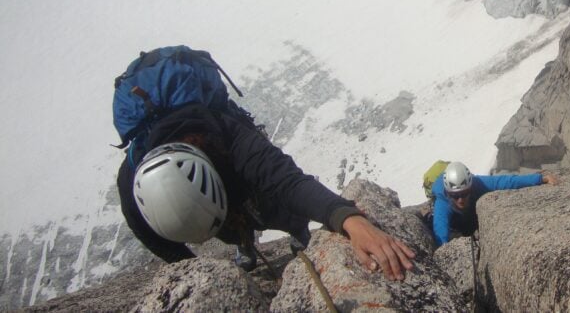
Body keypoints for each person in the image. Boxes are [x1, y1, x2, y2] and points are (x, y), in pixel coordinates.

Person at [117, 102, 415, 280]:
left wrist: (350, 219)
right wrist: (194, 272)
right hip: (211, 184)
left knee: (275, 209)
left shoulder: (231, 138)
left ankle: (298, 231)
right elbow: (151, 237)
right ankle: (242, 241)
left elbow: (288, 182)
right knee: (230, 226)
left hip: (232, 167)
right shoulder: (134, 192)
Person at [430, 161, 560, 246]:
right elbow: (440, 230)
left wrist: (540, 179)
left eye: (464, 193)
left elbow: (505, 181)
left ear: (471, 187)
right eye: (455, 196)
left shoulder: (477, 183)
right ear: (447, 193)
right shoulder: (442, 203)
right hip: (458, 228)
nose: (460, 199)